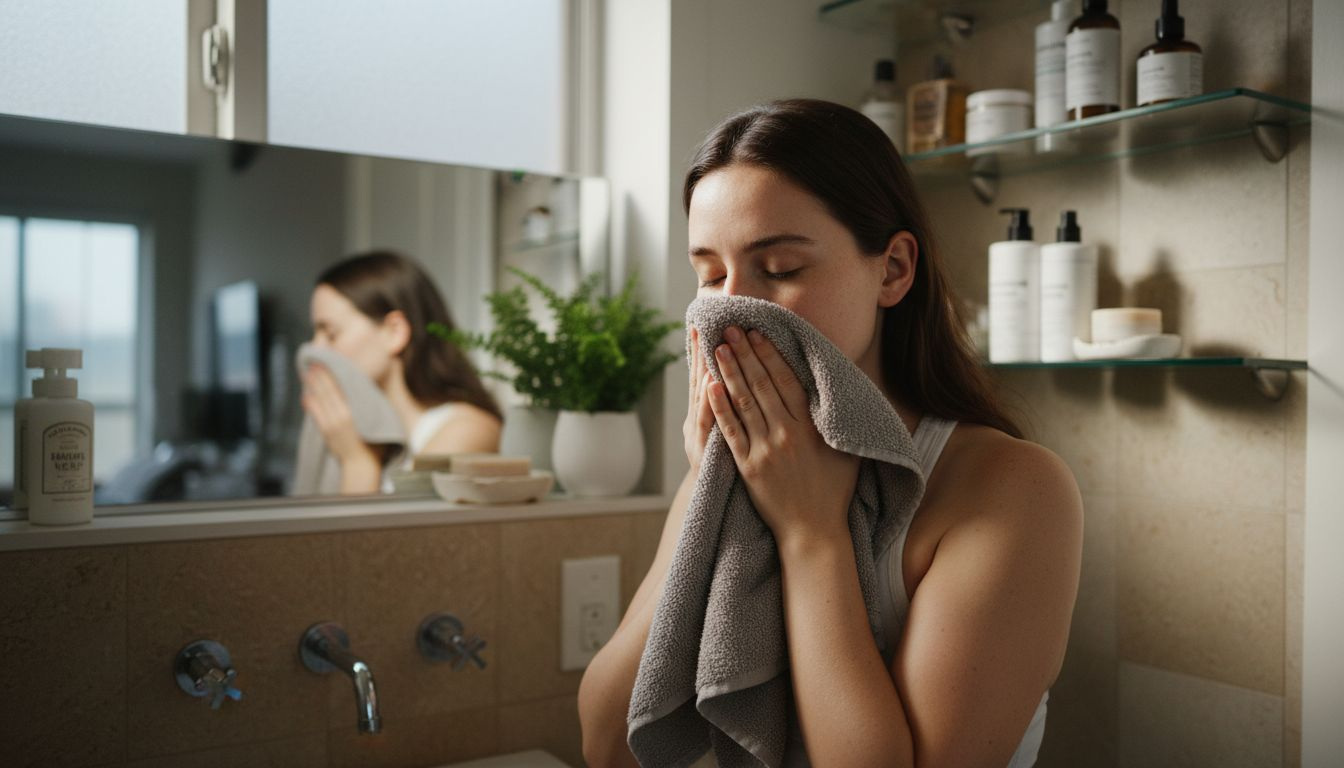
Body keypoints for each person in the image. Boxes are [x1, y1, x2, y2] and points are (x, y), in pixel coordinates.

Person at [578, 99, 1083, 767]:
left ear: (893, 270)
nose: (734, 309)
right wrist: (708, 483)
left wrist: (811, 532)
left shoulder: (1011, 489)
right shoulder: (736, 464)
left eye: (781, 269)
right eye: (709, 276)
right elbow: (609, 742)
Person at [302, 250, 502, 494]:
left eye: (331, 333)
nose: (314, 349)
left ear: (393, 332)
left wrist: (358, 461)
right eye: (315, 334)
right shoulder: (348, 428)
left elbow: (383, 533)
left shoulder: (468, 429)